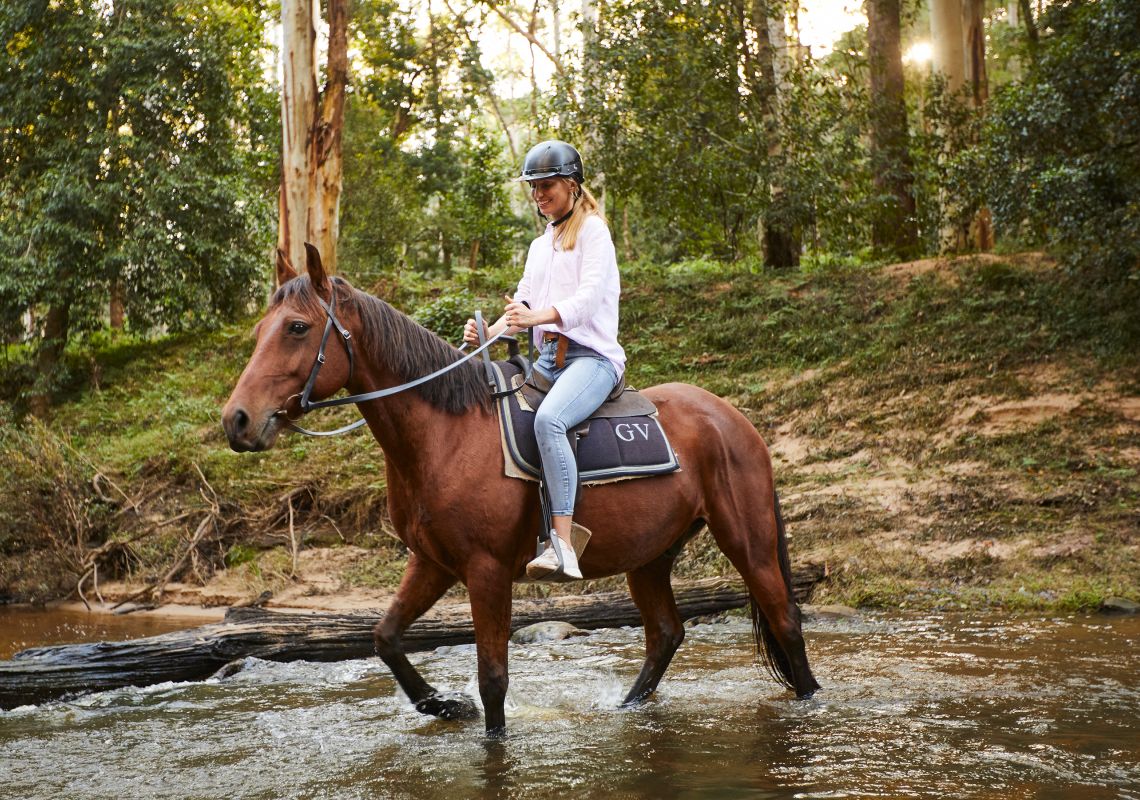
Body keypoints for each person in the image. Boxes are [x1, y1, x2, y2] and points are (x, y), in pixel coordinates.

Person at [464, 140, 625, 580]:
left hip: (592, 360)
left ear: (571, 185)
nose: (538, 195)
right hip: (548, 362)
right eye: (533, 188)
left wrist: (540, 316)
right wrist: (490, 332)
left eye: (546, 186)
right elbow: (523, 303)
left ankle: (563, 546)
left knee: (549, 421)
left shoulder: (594, 231)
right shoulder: (541, 245)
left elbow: (589, 299)